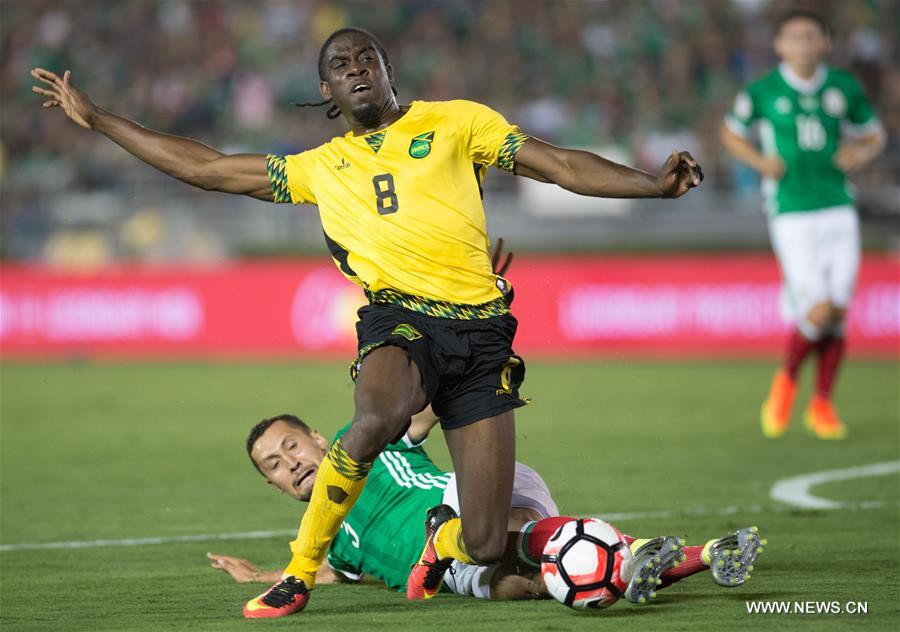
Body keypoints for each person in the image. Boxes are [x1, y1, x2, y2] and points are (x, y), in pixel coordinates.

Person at [32, 26, 702, 617]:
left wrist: (651, 183)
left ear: (387, 71)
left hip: (481, 331)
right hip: (400, 319)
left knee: (487, 542)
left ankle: (441, 543)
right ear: (327, 88)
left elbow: (557, 164)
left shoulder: (457, 122)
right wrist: (101, 121)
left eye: (365, 58)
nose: (354, 68)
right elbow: (206, 168)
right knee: (377, 417)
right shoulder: (321, 168)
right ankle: (298, 575)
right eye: (340, 64)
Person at [211, 410, 763, 615]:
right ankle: (697, 555)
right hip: (449, 573)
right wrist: (264, 574)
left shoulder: (360, 442)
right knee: (522, 584)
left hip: (466, 494)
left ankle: (448, 534)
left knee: (500, 531)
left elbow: (425, 412)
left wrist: (461, 337)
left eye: (290, 447)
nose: (290, 463)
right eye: (274, 466)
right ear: (275, 487)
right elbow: (336, 574)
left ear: (313, 437)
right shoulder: (330, 542)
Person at [720, 11, 885, 441]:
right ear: (780, 45)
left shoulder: (843, 88)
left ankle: (822, 405)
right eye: (794, 37)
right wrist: (759, 162)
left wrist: (860, 153)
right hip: (791, 209)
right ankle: (787, 381)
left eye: (810, 36)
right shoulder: (762, 91)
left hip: (838, 206)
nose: (803, 44)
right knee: (817, 311)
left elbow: (874, 134)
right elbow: (729, 132)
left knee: (838, 313)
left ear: (824, 42)